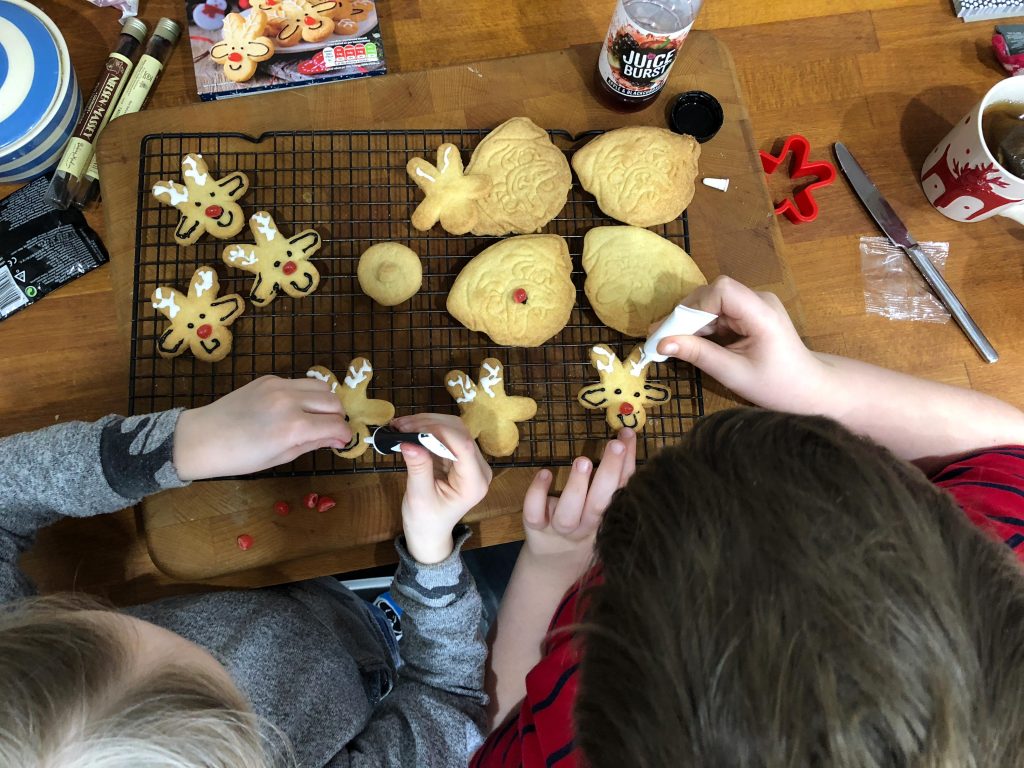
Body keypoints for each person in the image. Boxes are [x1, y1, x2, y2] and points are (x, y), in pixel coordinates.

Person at [474, 276, 1024, 767]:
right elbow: (1011, 446)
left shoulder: (575, 734)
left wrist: (551, 567)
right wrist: (818, 388)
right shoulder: (999, 568)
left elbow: (497, 725)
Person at [0, 375, 493, 767]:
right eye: (213, 671)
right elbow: (445, 698)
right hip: (380, 661)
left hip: (301, 598)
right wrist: (432, 553)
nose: (223, 650)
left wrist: (184, 442)